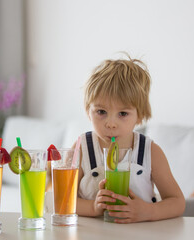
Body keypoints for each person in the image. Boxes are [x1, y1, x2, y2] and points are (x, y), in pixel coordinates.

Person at [74, 55, 185, 223]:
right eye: (101, 112)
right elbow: (63, 200)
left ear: (139, 116)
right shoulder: (81, 148)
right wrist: (92, 207)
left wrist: (149, 212)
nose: (111, 124)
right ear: (88, 110)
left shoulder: (150, 151)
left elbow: (177, 202)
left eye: (123, 114)